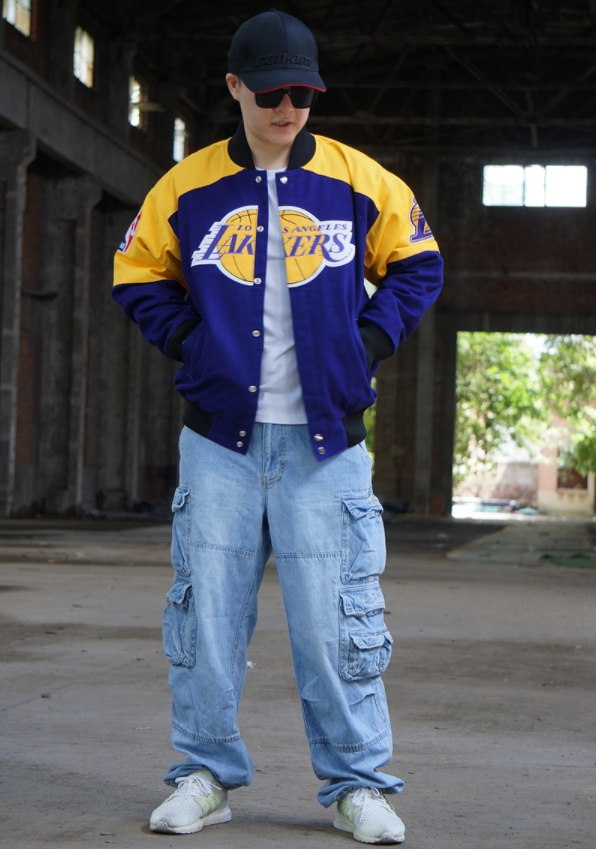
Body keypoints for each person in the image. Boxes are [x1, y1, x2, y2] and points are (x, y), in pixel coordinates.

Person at [112, 9, 443, 844]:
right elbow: (137, 272)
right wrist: (192, 344)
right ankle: (204, 775)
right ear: (235, 87)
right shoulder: (184, 187)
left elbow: (419, 264)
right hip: (219, 441)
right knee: (206, 619)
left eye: (302, 93)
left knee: (337, 622)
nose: (287, 108)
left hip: (325, 444)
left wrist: (367, 343)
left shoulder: (360, 179)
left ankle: (357, 784)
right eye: (270, 94)